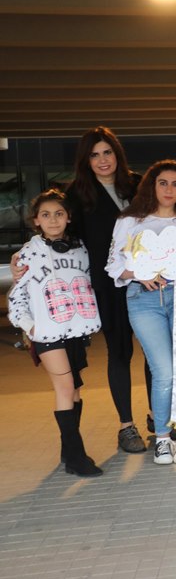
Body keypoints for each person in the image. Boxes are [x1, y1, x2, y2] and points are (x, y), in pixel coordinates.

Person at [107, 160, 176, 465]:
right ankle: (163, 437)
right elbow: (113, 265)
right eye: (163, 182)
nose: (169, 189)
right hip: (144, 301)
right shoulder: (130, 221)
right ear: (151, 185)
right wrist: (139, 273)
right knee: (163, 371)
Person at [63, 127, 149, 453]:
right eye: (94, 155)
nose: (102, 160)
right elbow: (64, 238)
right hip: (109, 286)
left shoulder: (139, 185)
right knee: (120, 353)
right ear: (86, 160)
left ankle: (158, 415)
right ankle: (126, 426)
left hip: (147, 282)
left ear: (117, 153)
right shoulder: (76, 195)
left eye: (107, 152)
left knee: (154, 352)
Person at [8, 189, 104, 477]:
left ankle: (68, 450)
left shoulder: (81, 249)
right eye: (46, 215)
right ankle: (76, 458)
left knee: (74, 389)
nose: (53, 220)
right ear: (36, 220)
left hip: (76, 329)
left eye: (59, 214)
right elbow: (16, 297)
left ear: (68, 217)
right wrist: (30, 326)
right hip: (47, 334)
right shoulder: (28, 254)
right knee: (64, 388)